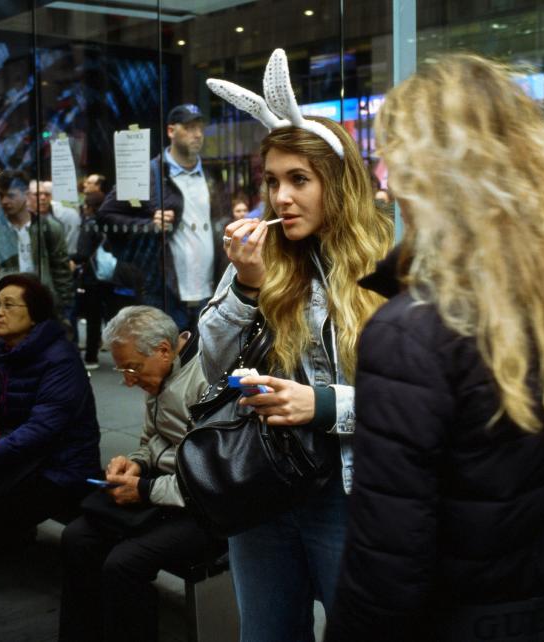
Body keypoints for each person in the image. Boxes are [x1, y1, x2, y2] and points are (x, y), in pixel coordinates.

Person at [325, 54, 544, 642]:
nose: (384, 182)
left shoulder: (409, 332)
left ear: (426, 175)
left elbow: (388, 568)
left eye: (390, 159)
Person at [198, 49, 393, 640]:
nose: (281, 198)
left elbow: (430, 400)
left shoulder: (388, 266)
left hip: (352, 493)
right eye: (273, 182)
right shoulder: (259, 261)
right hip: (263, 486)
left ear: (337, 183)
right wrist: (249, 288)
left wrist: (325, 405)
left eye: (299, 181)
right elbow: (210, 365)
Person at [59, 305, 216, 642]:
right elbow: (153, 438)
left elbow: (214, 476)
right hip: (164, 488)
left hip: (205, 505)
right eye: (122, 370)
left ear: (163, 350)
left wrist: (144, 489)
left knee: (124, 564)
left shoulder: (204, 378)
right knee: (77, 538)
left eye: (133, 368)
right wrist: (136, 463)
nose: (128, 380)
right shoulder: (161, 372)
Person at [0, 274, 100, 546]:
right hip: (21, 458)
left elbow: (41, 430)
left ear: (35, 315)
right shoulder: (1, 353)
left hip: (60, 468)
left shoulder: (60, 360)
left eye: (9, 305)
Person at [98, 104, 226, 332]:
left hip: (210, 292)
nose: (197, 134)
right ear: (170, 131)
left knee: (205, 364)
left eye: (200, 128)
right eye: (188, 127)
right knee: (168, 362)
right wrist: (148, 225)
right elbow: (106, 215)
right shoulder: (147, 174)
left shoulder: (210, 176)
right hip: (164, 293)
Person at [0, 170, 74, 311]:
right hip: (5, 306)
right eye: (0, 195)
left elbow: (61, 271)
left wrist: (62, 308)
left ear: (26, 195)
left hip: (41, 305)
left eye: (10, 195)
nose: (4, 201)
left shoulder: (49, 228)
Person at [29, 179, 82, 256]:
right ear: (27, 197)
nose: (43, 198)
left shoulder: (68, 215)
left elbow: (69, 249)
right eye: (37, 194)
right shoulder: (20, 216)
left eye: (47, 194)